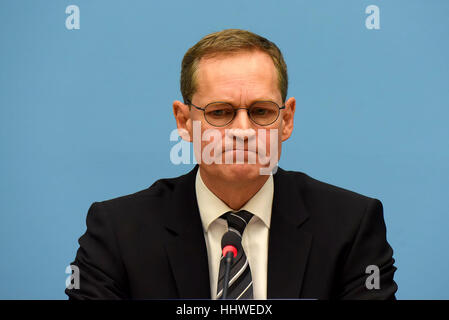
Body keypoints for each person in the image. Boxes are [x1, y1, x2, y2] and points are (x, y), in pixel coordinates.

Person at [65, 29, 398, 300]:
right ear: (184, 121)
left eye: (261, 112)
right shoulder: (118, 231)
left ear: (287, 120)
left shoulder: (350, 226)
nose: (242, 131)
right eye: (220, 112)